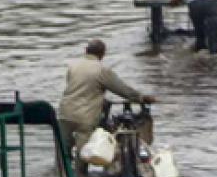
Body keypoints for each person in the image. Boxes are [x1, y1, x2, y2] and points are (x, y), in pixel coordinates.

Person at [58, 39, 156, 169]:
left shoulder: (73, 66)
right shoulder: (102, 70)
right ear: (102, 54)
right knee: (83, 156)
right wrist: (141, 98)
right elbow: (121, 89)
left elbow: (79, 88)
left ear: (86, 51)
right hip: (85, 117)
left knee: (62, 152)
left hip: (64, 113)